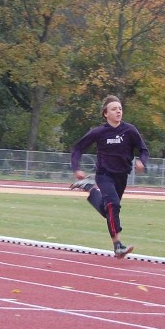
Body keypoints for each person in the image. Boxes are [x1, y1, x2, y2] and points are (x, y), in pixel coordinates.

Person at [69, 94, 149, 259]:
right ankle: (118, 245)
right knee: (113, 206)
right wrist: (76, 168)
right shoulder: (98, 132)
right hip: (104, 175)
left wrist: (142, 161)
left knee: (109, 210)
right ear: (106, 113)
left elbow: (143, 149)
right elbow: (77, 149)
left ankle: (90, 189)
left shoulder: (130, 130)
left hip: (122, 176)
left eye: (120, 108)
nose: (118, 111)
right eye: (114, 109)